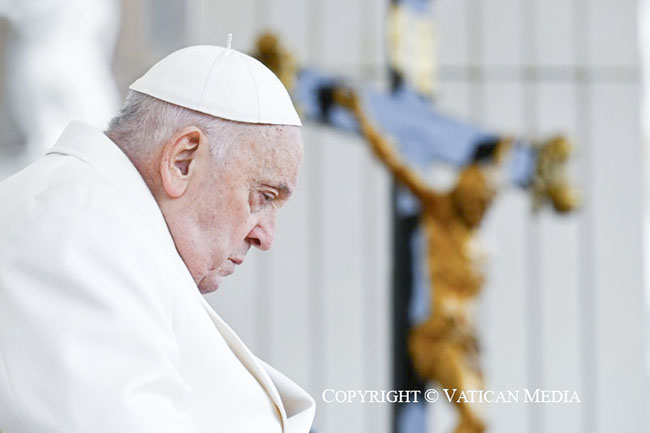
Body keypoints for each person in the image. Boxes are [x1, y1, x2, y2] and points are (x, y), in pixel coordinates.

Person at [0, 43, 315, 433]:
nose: (266, 237)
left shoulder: (104, 223)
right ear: (183, 160)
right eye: (263, 197)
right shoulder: (77, 224)